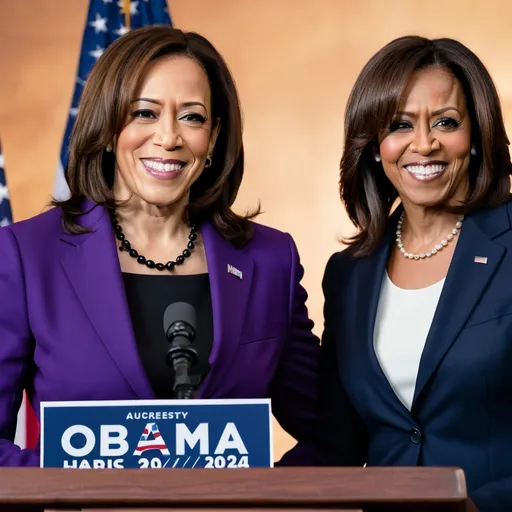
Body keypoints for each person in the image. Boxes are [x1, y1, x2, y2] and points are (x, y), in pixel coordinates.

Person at [0, 26, 320, 466]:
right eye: (144, 113)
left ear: (213, 138)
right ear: (109, 128)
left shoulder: (269, 261)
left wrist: (268, 494)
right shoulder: (27, 255)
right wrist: (66, 478)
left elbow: (332, 431)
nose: (169, 137)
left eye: (192, 117)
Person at [318, 36, 512, 511]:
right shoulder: (349, 274)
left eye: (446, 122)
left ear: (476, 136)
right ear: (373, 145)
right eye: (400, 125)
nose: (424, 144)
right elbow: (336, 439)